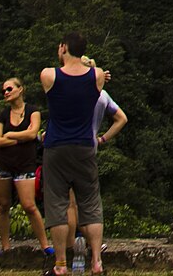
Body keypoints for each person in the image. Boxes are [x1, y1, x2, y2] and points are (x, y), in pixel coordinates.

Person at [40, 33, 108, 276]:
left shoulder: (49, 75)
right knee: (90, 202)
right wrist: (88, 63)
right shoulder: (96, 77)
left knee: (57, 204)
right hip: (84, 145)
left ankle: (60, 264)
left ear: (63, 48)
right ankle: (97, 262)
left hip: (56, 145)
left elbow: (59, 71)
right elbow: (95, 70)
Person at [62, 64, 125, 269]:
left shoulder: (73, 91)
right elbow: (121, 118)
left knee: (71, 203)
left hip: (68, 145)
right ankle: (95, 251)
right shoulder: (103, 95)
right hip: (90, 148)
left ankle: (72, 248)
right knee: (90, 203)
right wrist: (102, 139)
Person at [0, 77, 47, 254]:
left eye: (9, 89)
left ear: (20, 89)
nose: (6, 93)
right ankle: (6, 247)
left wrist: (11, 135)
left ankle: (45, 246)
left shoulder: (33, 111)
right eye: (4, 91)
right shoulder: (2, 114)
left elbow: (32, 134)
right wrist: (20, 138)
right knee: (3, 205)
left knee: (29, 205)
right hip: (3, 164)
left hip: (25, 164)